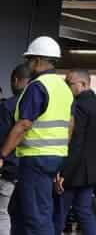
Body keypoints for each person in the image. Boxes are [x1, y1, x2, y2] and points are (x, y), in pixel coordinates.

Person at [0, 37, 72, 235]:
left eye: (29, 60)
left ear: (38, 60)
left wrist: (2, 155)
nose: (27, 64)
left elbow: (24, 124)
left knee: (36, 217)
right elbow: (70, 125)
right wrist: (59, 157)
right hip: (53, 158)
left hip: (35, 159)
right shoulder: (63, 88)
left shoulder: (38, 86)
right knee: (19, 212)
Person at [56, 70, 96, 235]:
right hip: (93, 168)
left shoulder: (77, 105)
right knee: (83, 210)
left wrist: (64, 172)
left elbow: (76, 142)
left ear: (83, 84)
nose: (67, 87)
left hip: (75, 169)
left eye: (69, 84)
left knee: (59, 212)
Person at [0, 65, 32, 235]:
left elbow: (3, 138)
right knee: (29, 215)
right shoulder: (41, 105)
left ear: (16, 80)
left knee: (2, 212)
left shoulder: (9, 106)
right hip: (34, 169)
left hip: (9, 168)